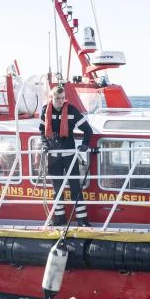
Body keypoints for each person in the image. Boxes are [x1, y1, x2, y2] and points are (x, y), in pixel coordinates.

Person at [39, 84, 93, 226]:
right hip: (54, 156)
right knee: (57, 189)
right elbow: (41, 130)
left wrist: (85, 144)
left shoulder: (72, 111)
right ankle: (59, 219)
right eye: (57, 98)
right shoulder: (45, 111)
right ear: (52, 98)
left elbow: (88, 130)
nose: (60, 101)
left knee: (75, 187)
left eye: (62, 98)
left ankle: (82, 220)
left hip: (69, 155)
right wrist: (44, 144)